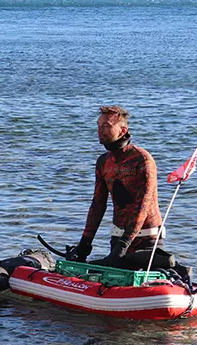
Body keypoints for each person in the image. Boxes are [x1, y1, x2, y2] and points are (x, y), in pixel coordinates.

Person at [69, 105, 167, 269]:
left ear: (123, 131)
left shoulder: (141, 159)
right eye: (99, 126)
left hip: (147, 238)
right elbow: (98, 204)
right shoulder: (103, 162)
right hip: (118, 235)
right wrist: (84, 243)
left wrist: (124, 244)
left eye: (106, 126)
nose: (100, 130)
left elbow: (143, 205)